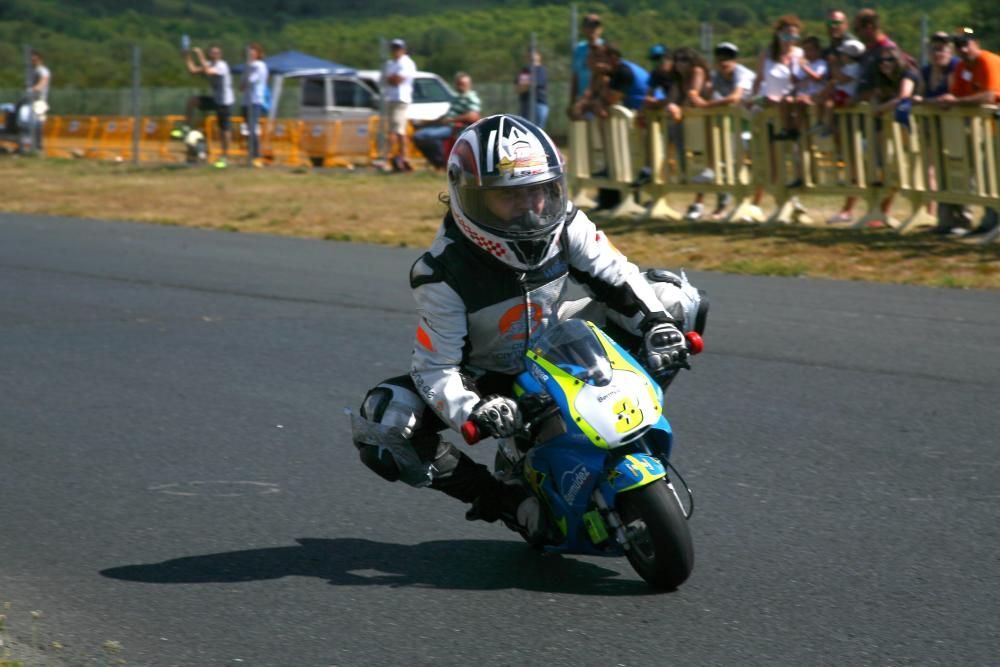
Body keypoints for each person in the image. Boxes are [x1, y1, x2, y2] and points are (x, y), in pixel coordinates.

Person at [350, 114, 707, 545]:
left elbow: (616, 274)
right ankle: (506, 500)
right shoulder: (440, 272)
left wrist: (655, 325)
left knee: (675, 301)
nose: (532, 208)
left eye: (541, 191)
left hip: (564, 340)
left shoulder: (568, 224)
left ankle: (627, 423)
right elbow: (435, 368)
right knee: (385, 420)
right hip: (490, 375)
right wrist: (472, 409)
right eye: (510, 196)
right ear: (471, 198)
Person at [929, 27, 1000, 238]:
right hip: (982, 130)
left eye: (966, 43)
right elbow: (955, 95)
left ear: (976, 42)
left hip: (993, 128)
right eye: (958, 44)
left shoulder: (989, 61)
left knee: (994, 175)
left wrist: (957, 102)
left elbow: (990, 96)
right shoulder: (962, 67)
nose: (963, 48)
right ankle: (989, 220)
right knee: (985, 177)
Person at [690, 42, 757, 219]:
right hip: (737, 125)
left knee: (756, 166)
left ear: (736, 59)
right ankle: (726, 205)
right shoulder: (716, 76)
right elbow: (704, 93)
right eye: (720, 57)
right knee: (728, 165)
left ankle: (752, 207)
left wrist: (706, 105)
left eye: (728, 57)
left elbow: (735, 98)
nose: (724, 61)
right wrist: (695, 91)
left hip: (754, 123)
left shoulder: (742, 74)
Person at [916, 32, 967, 234]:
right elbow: (919, 95)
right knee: (939, 171)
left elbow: (951, 97)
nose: (939, 53)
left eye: (943, 48)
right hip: (933, 127)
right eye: (935, 48)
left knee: (958, 171)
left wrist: (928, 102)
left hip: (956, 127)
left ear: (950, 50)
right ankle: (944, 220)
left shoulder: (957, 66)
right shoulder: (927, 71)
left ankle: (963, 219)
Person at [412, 72, 481, 169]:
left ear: (469, 85)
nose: (460, 86)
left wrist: (452, 120)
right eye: (458, 84)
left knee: (422, 136)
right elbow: (445, 117)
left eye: (463, 84)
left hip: (456, 128)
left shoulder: (471, 98)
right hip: (447, 126)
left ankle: (442, 163)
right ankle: (439, 163)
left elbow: (474, 116)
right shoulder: (457, 97)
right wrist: (424, 122)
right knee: (418, 135)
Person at [180, 45, 234, 168]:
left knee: (224, 130)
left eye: (217, 52)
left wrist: (199, 54)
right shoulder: (209, 63)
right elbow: (193, 71)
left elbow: (208, 71)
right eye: (213, 52)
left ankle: (224, 157)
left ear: (220, 55)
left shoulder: (222, 66)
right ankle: (186, 128)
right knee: (192, 101)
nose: (215, 54)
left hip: (225, 102)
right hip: (215, 99)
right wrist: (187, 57)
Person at [382, 38, 417, 172]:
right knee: (399, 131)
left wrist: (392, 78)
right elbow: (388, 79)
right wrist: (392, 78)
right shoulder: (390, 63)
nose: (395, 51)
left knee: (394, 130)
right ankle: (403, 158)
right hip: (391, 98)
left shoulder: (407, 63)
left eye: (398, 48)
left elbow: (396, 80)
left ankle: (387, 158)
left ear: (403, 49)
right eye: (394, 48)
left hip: (401, 99)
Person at [570, 13, 604, 118]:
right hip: (582, 103)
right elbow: (575, 76)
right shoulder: (579, 49)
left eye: (596, 25)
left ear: (601, 29)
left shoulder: (605, 49)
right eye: (589, 25)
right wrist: (571, 102)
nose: (593, 29)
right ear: (583, 29)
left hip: (599, 102)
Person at [240, 43, 268, 165]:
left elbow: (252, 80)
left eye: (252, 51)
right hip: (246, 101)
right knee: (247, 129)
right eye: (249, 51)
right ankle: (250, 154)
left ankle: (256, 155)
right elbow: (241, 85)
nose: (250, 53)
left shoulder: (259, 65)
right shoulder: (247, 66)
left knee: (252, 127)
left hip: (255, 100)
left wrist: (247, 76)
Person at [516, 50, 548, 130]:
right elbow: (520, 87)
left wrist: (527, 85)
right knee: (525, 129)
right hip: (526, 104)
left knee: (538, 130)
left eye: (535, 53)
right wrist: (526, 85)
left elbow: (533, 84)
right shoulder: (525, 70)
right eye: (530, 53)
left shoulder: (541, 70)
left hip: (539, 103)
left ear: (539, 56)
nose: (532, 56)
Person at [27, 50, 50, 152]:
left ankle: (38, 147)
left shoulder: (43, 70)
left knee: (38, 123)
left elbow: (44, 81)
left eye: (35, 59)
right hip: (31, 101)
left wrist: (35, 89)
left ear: (40, 59)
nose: (33, 61)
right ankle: (31, 146)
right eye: (32, 59)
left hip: (40, 101)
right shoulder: (31, 71)